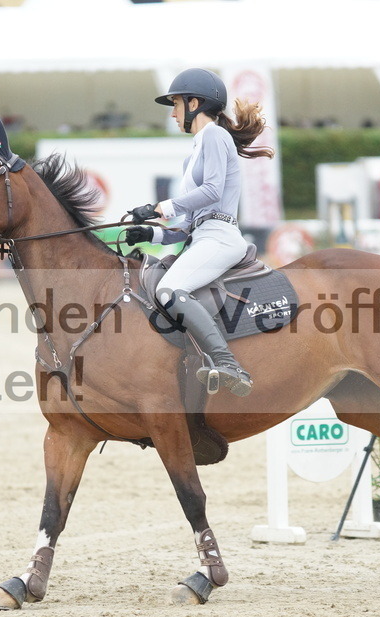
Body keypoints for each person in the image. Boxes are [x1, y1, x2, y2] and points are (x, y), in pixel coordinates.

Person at [124, 68, 273, 397]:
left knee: (169, 290)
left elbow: (213, 190)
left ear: (195, 103)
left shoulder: (215, 135)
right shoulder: (192, 155)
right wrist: (149, 233)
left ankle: (226, 362)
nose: (173, 113)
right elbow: (182, 231)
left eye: (176, 104)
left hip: (221, 236)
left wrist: (164, 205)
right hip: (203, 236)